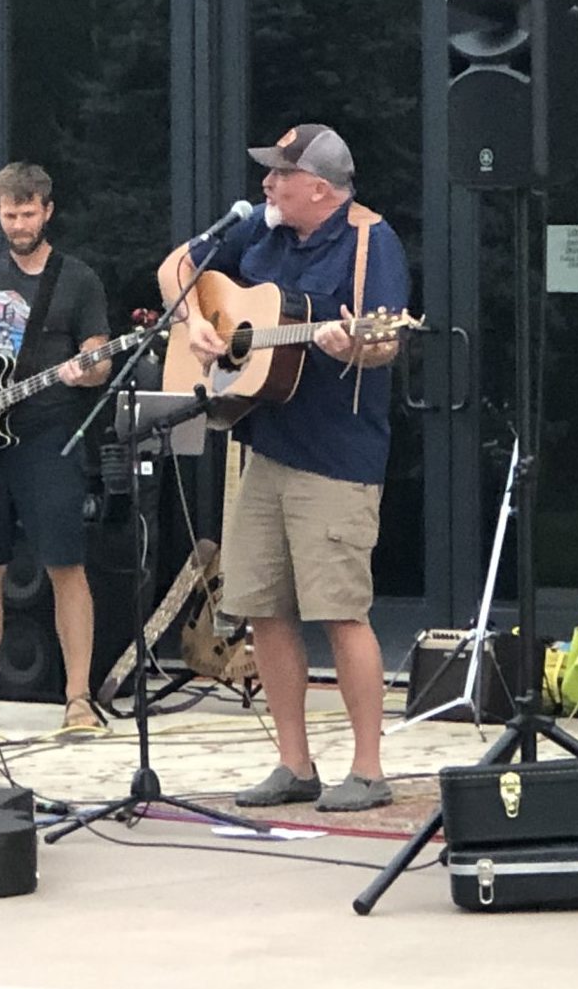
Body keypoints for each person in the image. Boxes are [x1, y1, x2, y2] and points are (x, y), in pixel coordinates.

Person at [171, 123, 409, 813]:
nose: (268, 185)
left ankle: (367, 767)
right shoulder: (263, 232)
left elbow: (386, 341)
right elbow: (177, 269)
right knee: (263, 610)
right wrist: (197, 325)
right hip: (263, 445)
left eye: (280, 174)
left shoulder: (371, 242)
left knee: (340, 611)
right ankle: (293, 761)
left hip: (337, 457)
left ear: (320, 188)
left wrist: (351, 347)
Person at [0, 162, 116, 741]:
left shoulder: (77, 279)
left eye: (27, 213)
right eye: (8, 213)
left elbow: (101, 360)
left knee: (65, 566)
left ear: (48, 210)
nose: (17, 224)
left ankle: (77, 698)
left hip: (47, 434)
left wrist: (87, 369)